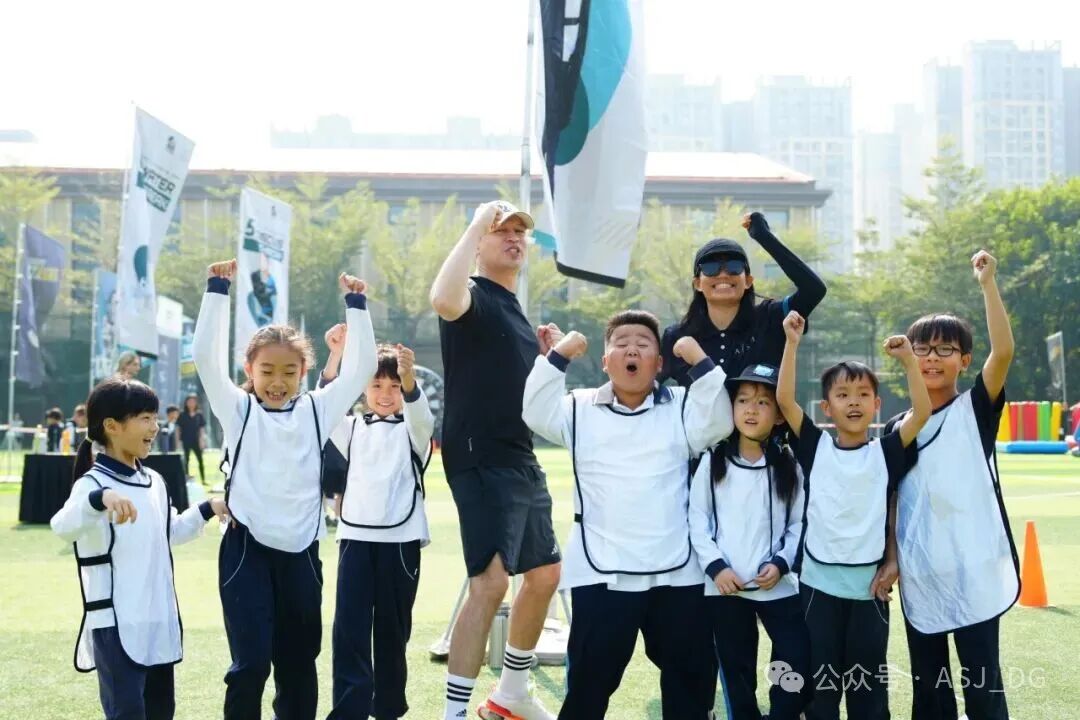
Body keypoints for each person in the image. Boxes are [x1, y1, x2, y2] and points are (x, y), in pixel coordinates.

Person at [522, 313, 733, 719]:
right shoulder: (579, 407)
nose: (632, 349)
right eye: (621, 343)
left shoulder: (682, 406)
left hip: (677, 572)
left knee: (691, 681)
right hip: (601, 569)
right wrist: (559, 355)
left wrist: (700, 361)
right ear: (605, 361)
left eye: (643, 343)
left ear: (659, 362)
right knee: (589, 683)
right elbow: (535, 412)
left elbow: (719, 422)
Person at [193, 258, 377, 720]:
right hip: (246, 551)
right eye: (268, 371)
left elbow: (361, 368)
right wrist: (216, 290)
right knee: (251, 665)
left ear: (303, 371)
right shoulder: (237, 410)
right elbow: (205, 359)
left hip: (301, 555)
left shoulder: (317, 410)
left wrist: (357, 305)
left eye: (289, 372)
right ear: (250, 369)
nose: (278, 382)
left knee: (297, 665)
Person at [430, 200, 561, 720]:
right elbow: (443, 299)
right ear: (479, 243)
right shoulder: (473, 295)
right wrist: (475, 222)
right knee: (491, 582)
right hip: (480, 455)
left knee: (545, 574)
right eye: (500, 230)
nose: (513, 238)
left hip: (520, 456)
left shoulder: (514, 309)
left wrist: (549, 358)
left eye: (519, 232)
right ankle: (454, 713)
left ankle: (510, 694)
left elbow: (526, 395)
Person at [777, 311, 931, 720]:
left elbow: (921, 412)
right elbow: (785, 401)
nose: (854, 402)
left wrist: (909, 362)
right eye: (843, 395)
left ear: (877, 404)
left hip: (869, 588)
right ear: (826, 407)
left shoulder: (887, 450)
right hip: (818, 586)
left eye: (863, 394)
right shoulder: (816, 447)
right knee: (822, 686)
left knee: (868, 688)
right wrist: (791, 343)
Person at [885, 250, 1018, 720]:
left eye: (945, 350)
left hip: (974, 568)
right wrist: (891, 560)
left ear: (964, 360)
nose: (931, 358)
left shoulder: (975, 409)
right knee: (930, 690)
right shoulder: (898, 427)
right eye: (922, 349)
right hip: (922, 571)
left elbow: (1003, 352)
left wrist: (987, 284)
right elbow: (893, 500)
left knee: (982, 685)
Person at [50, 377, 226, 720]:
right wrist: (100, 499)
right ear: (112, 426)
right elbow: (62, 526)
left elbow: (169, 532)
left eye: (155, 417)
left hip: (158, 617)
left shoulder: (154, 481)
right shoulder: (93, 483)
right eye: (145, 418)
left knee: (161, 711)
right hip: (115, 621)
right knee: (128, 712)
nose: (154, 427)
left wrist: (207, 508)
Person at [688, 363, 811, 720]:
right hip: (727, 588)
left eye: (762, 402)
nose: (751, 409)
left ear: (779, 415)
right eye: (742, 400)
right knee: (737, 673)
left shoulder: (788, 464)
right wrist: (717, 568)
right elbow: (697, 518)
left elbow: (798, 523)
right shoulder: (713, 460)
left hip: (778, 586)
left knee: (797, 659)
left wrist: (781, 563)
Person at [321, 338, 434, 720]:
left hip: (401, 540)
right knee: (349, 629)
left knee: (392, 629)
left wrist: (409, 376)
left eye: (394, 386)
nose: (386, 394)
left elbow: (422, 416)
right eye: (376, 385)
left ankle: (387, 708)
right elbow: (326, 407)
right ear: (363, 389)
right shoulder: (352, 427)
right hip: (355, 538)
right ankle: (349, 711)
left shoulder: (414, 431)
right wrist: (336, 356)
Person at [661, 211, 826, 385]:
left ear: (748, 281)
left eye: (734, 266)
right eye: (710, 268)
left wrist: (764, 236)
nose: (723, 274)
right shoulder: (676, 336)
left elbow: (813, 290)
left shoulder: (771, 319)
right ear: (697, 284)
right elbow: (649, 386)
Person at [177, 395, 207, 486]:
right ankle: (186, 478)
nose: (191, 403)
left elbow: (202, 429)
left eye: (193, 401)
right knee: (186, 460)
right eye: (189, 401)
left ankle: (203, 480)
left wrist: (202, 441)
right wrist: (178, 442)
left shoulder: (199, 415)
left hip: (196, 441)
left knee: (200, 460)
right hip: (186, 440)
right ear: (186, 403)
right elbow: (178, 429)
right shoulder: (182, 414)